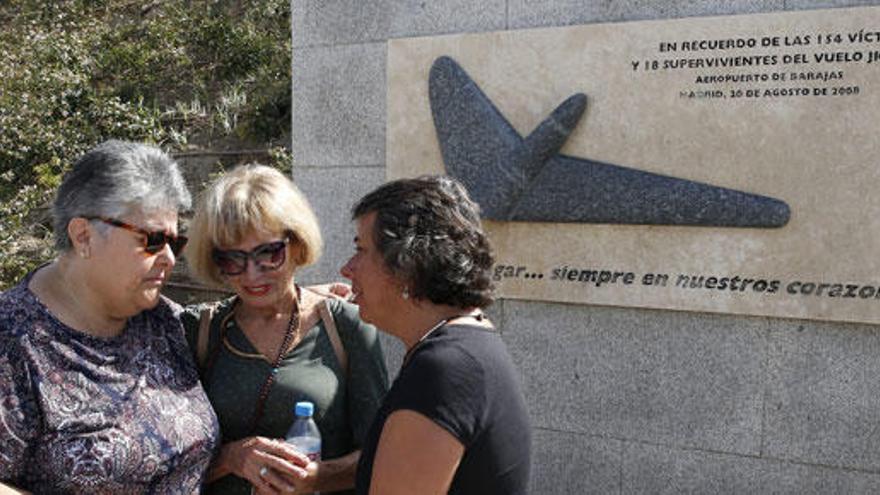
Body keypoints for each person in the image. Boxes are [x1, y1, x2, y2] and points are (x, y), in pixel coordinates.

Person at [0, 140, 220, 493]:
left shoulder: (163, 322)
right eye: (152, 240)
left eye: (174, 243)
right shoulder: (13, 340)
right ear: (84, 236)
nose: (169, 258)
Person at [182, 164, 389, 495]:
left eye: (268, 254)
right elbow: (162, 458)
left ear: (296, 243)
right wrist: (231, 458)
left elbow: (381, 452)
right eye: (232, 259)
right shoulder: (198, 331)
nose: (252, 275)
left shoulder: (345, 326)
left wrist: (319, 477)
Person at [341, 176, 532, 495]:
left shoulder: (445, 369)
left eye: (361, 250)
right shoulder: (466, 346)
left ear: (406, 266)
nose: (347, 268)